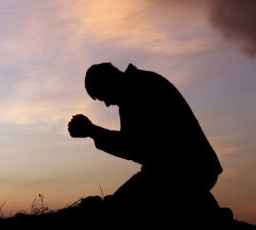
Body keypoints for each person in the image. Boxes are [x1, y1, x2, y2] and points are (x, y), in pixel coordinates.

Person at [68, 62, 222, 214]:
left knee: (115, 210)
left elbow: (133, 147)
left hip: (182, 170)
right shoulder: (139, 85)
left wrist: (92, 131)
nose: (107, 104)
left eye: (103, 97)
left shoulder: (138, 90)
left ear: (109, 82)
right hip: (178, 169)